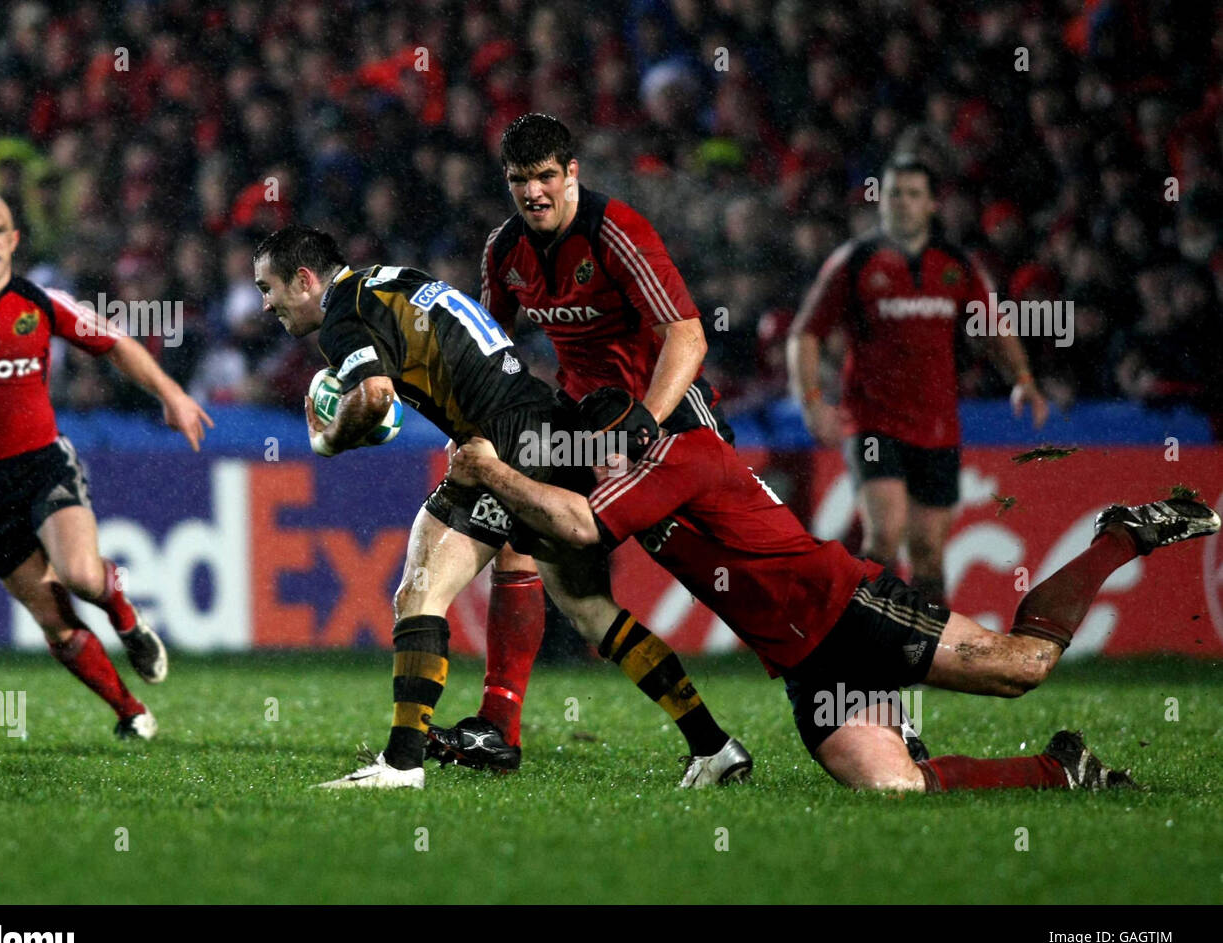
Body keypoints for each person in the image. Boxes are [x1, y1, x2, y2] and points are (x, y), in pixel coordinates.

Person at [446, 387, 1220, 791]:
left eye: (618, 446)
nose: (618, 458)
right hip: (807, 664)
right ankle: (1063, 770)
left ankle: (1121, 536)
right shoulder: (635, 478)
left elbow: (579, 526)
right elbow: (571, 541)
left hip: (850, 605)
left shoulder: (683, 460)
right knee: (891, 788)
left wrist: (488, 469)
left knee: (1022, 667)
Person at [251, 224, 748, 789]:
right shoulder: (394, 281)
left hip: (500, 442)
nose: (266, 304)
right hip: (546, 426)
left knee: (420, 590)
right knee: (588, 607)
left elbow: (372, 398)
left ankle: (401, 763)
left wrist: (328, 437)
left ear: (305, 280)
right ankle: (713, 744)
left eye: (269, 288)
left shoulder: (344, 310)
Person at [431, 112, 731, 768]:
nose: (533, 191)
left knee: (745, 577)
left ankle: (872, 708)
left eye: (545, 176)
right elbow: (494, 353)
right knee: (531, 547)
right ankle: (499, 727)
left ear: (572, 174)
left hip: (669, 421)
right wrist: (478, 432)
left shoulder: (616, 231)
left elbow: (687, 336)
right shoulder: (503, 252)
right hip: (583, 428)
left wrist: (643, 423)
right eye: (519, 180)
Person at [0, 193, 213, 739]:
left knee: (80, 575)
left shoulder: (41, 301)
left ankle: (125, 618)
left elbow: (114, 342)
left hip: (42, 464)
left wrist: (169, 393)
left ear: (13, 240)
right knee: (55, 623)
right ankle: (132, 713)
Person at [788, 156, 1050, 606]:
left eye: (913, 194)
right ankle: (870, 646)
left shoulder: (955, 265)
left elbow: (992, 327)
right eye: (893, 193)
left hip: (937, 425)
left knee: (928, 553)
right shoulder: (855, 262)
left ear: (931, 204)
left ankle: (927, 654)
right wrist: (812, 400)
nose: (902, 203)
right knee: (884, 537)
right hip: (872, 420)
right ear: (881, 201)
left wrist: (1023, 377)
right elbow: (805, 333)